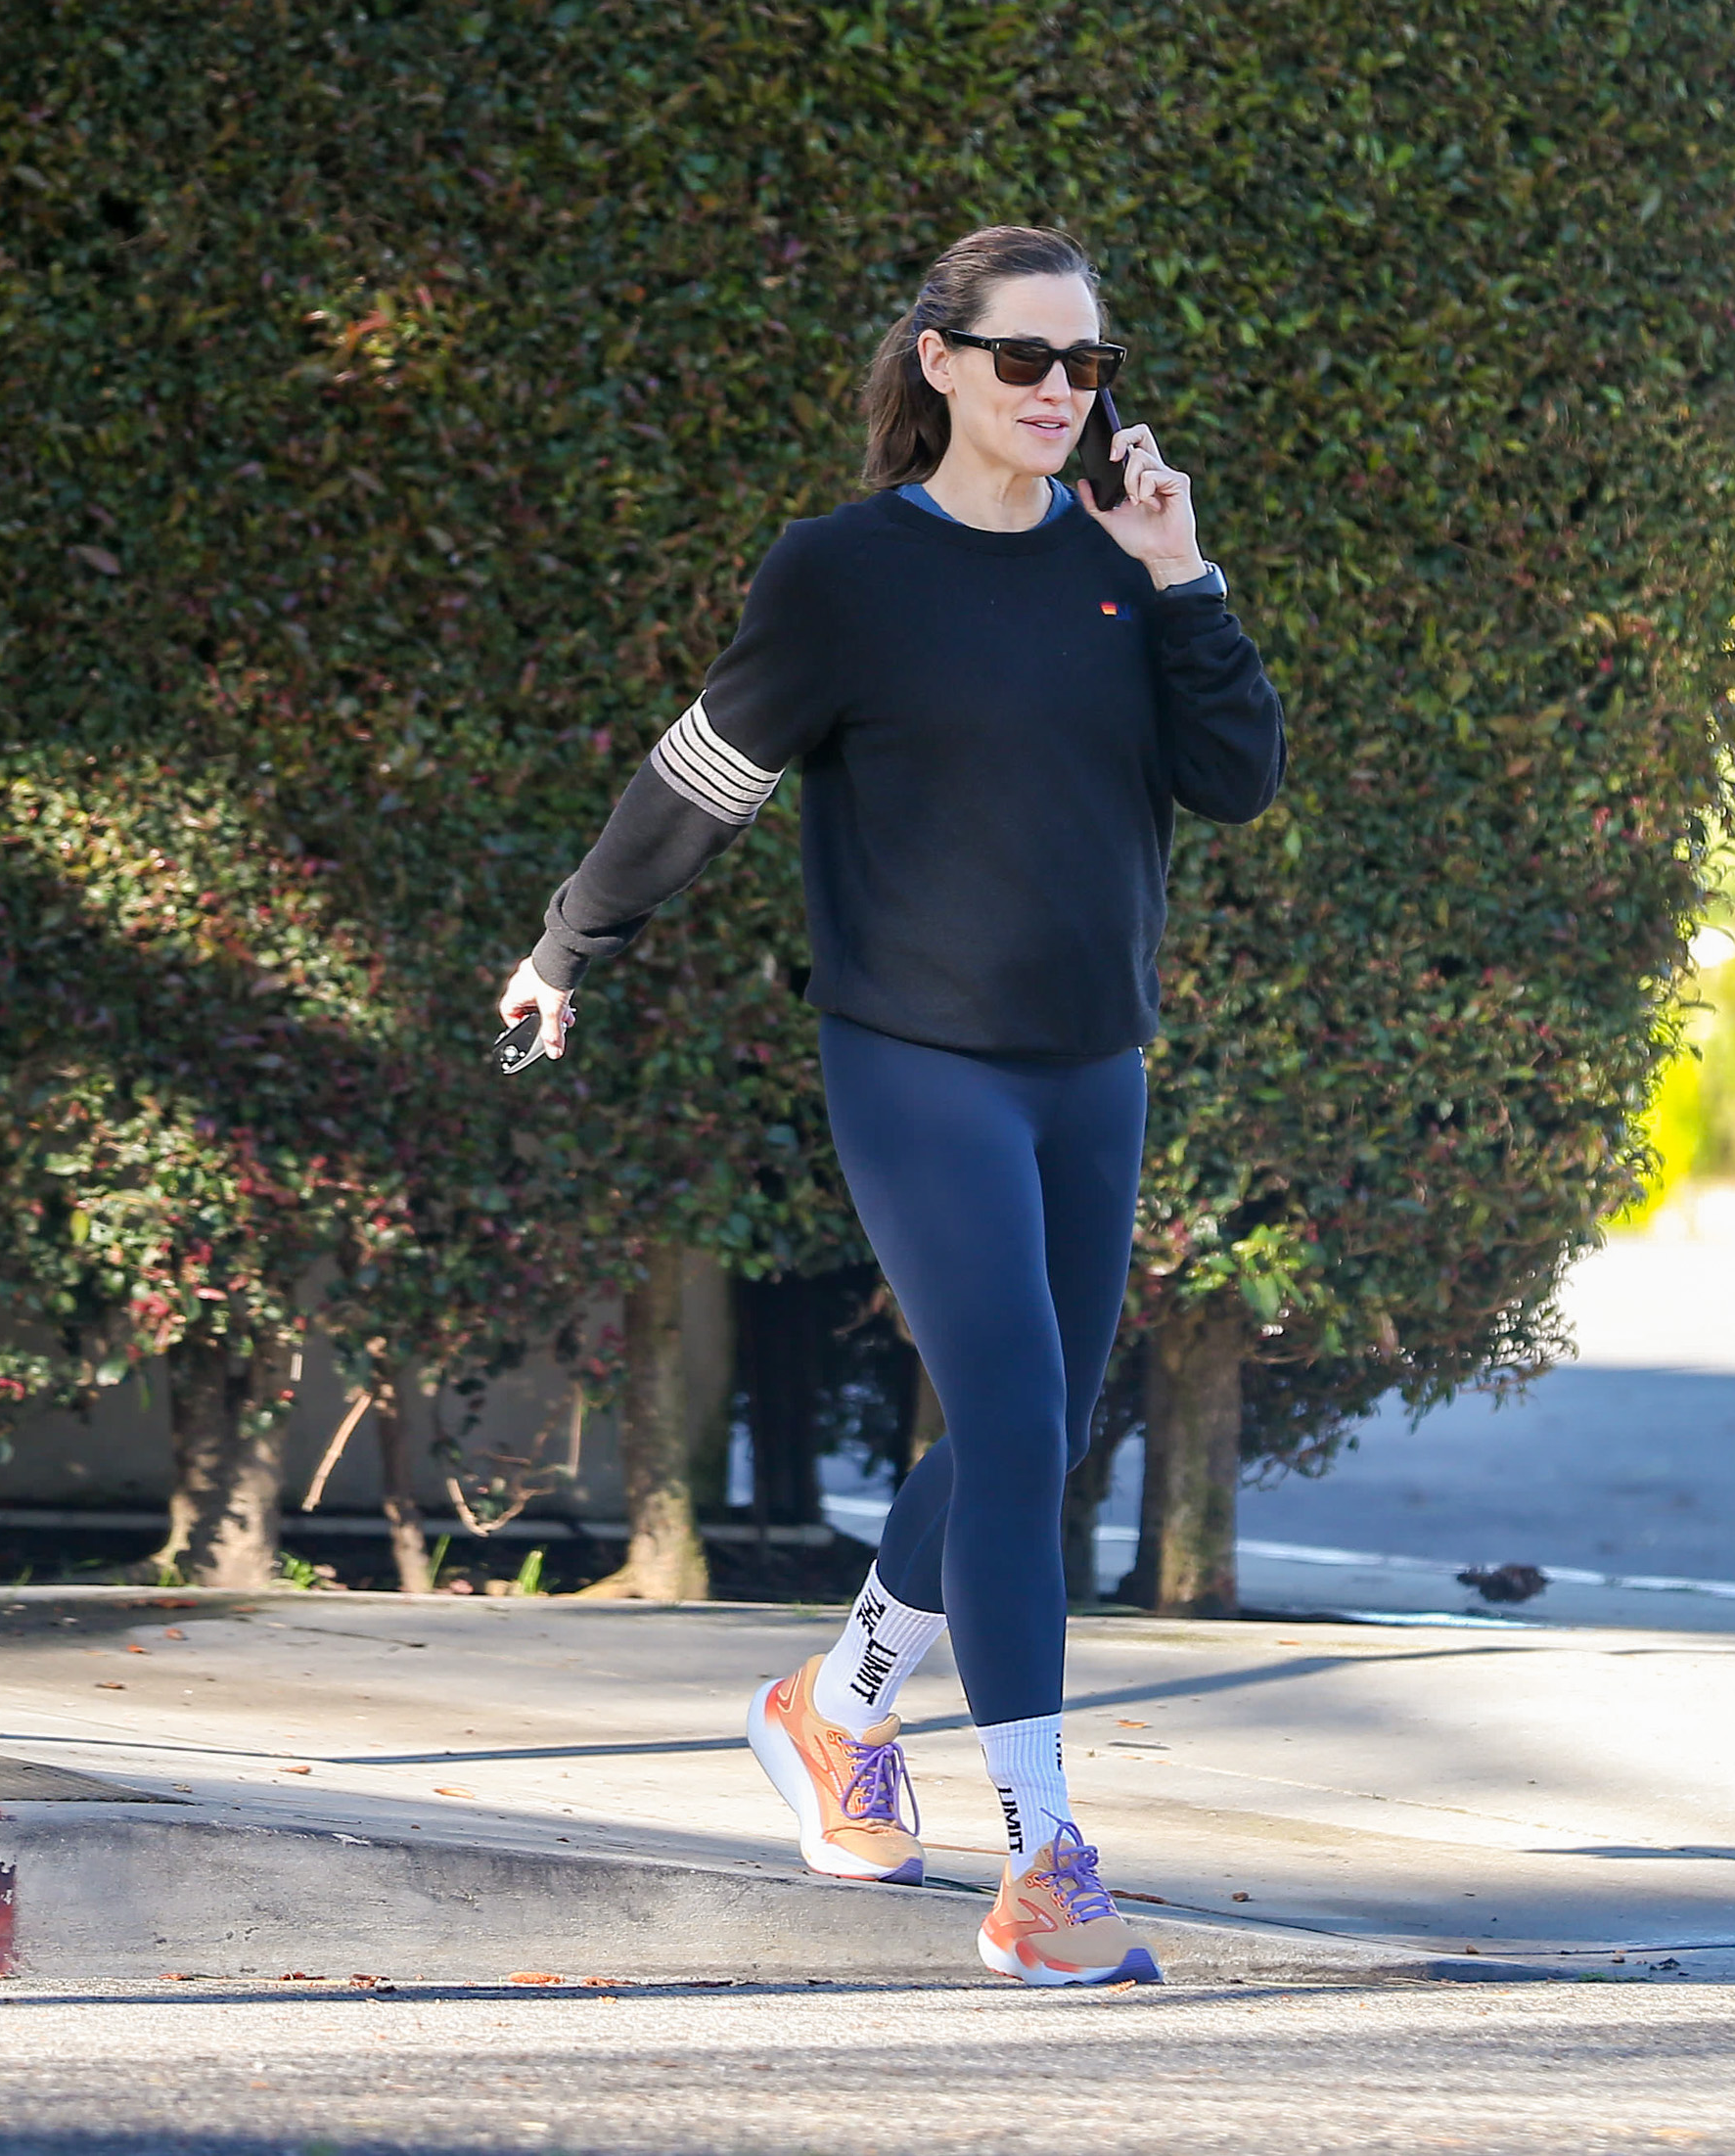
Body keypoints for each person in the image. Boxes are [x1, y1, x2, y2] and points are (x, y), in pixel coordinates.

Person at [497, 223, 1286, 1987]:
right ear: (939, 361)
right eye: (1026, 362)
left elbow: (1233, 779)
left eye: (1088, 368)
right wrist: (572, 942)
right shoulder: (846, 573)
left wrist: (1184, 580)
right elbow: (705, 770)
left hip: (1096, 1065)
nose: (1061, 397)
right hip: (915, 1058)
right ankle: (1046, 1862)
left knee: (1038, 1428)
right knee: (1015, 1430)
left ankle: (831, 1706)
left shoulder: (1119, 566)